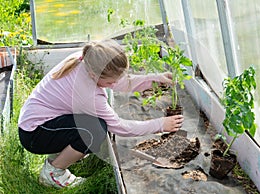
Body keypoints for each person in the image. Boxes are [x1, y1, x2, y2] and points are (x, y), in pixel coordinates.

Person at [18, 39, 184, 188]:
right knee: (95, 130)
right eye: (110, 82)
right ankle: (53, 172)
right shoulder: (87, 94)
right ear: (94, 75)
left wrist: (155, 78)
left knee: (93, 126)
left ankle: (62, 154)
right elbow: (120, 127)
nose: (113, 84)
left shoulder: (89, 59)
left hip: (43, 122)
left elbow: (116, 80)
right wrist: (160, 124)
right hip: (34, 134)